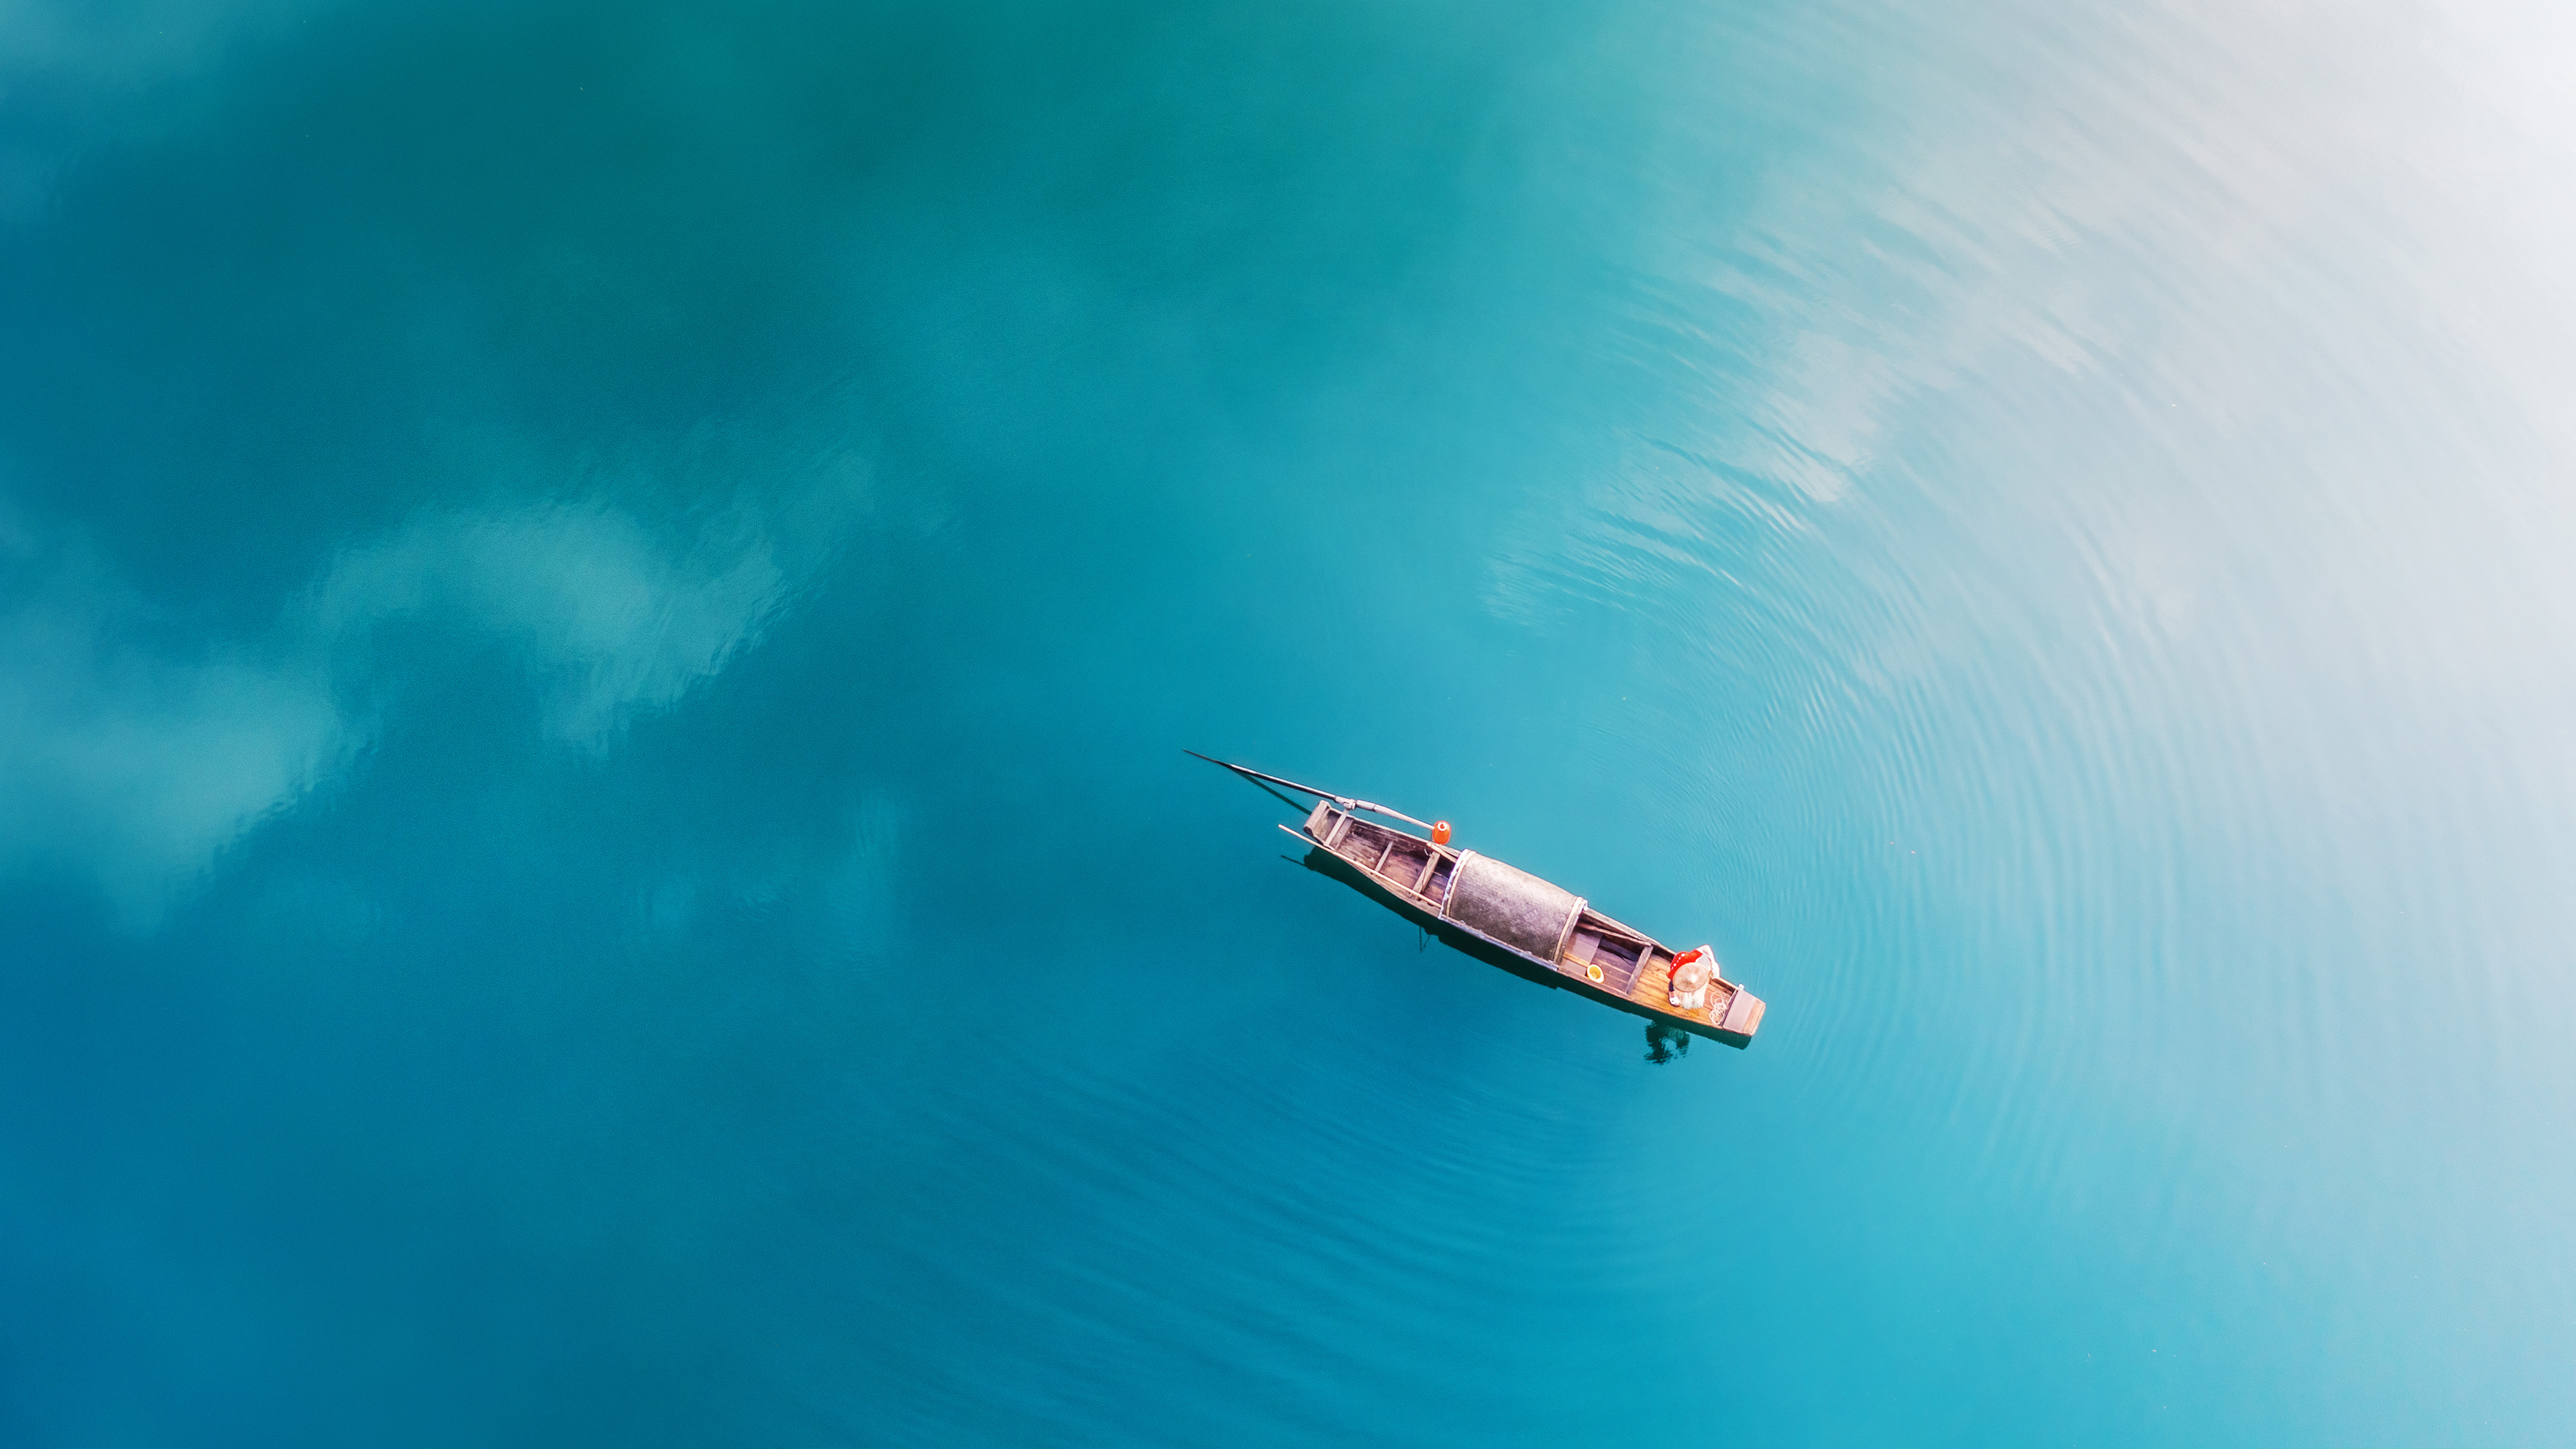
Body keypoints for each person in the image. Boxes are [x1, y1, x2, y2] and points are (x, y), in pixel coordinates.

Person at [1668, 946, 1716, 1010]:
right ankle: (1671, 994)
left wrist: (1713, 961)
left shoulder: (1696, 957)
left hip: (1693, 968)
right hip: (1680, 964)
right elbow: (1672, 976)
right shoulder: (1682, 963)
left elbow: (1706, 947)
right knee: (1673, 983)